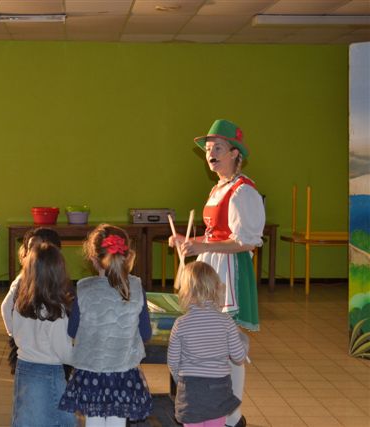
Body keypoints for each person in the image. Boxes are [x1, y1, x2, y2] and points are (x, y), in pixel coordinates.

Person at [169, 119, 265, 427]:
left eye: (218, 148)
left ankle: (231, 416)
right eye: (209, 149)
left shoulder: (243, 191)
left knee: (228, 342)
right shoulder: (218, 188)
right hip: (213, 266)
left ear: (235, 153)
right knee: (213, 341)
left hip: (230, 271)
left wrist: (202, 246)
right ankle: (219, 412)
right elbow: (216, 234)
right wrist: (190, 242)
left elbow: (246, 242)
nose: (211, 154)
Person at [59, 224, 153, 426]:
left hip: (90, 371)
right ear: (126, 256)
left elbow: (72, 331)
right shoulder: (136, 287)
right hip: (123, 372)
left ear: (93, 259)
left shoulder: (84, 288)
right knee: (117, 421)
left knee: (93, 421)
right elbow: (145, 334)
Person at [168, 261, 247, 427]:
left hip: (190, 390)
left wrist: (180, 381)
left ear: (185, 292)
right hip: (218, 389)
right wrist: (243, 341)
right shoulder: (226, 321)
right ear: (217, 288)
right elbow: (239, 358)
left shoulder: (180, 323)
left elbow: (173, 361)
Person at [7, 242, 76, 427]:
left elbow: (14, 332)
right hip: (49, 374)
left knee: (26, 418)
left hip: (24, 370)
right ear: (59, 275)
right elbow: (64, 353)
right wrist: (82, 358)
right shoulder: (56, 312)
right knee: (58, 420)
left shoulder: (21, 304)